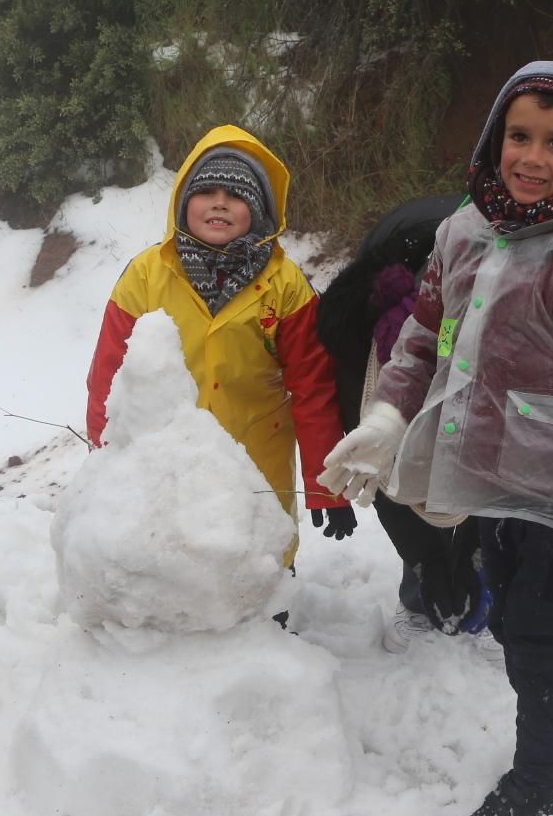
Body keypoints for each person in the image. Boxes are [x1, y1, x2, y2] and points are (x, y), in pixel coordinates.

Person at [321, 61, 553, 816]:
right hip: (488, 471)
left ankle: (540, 781)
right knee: (514, 619)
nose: (531, 156)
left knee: (552, 632)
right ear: (494, 137)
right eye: (519, 135)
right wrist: (386, 417)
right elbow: (421, 334)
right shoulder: (466, 229)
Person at [86, 125, 356, 569]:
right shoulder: (147, 274)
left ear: (260, 210)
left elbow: (313, 389)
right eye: (205, 191)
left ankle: (273, 612)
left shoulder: (286, 284)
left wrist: (326, 486)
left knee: (258, 556)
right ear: (182, 201)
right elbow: (109, 375)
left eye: (236, 195)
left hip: (257, 451)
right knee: (170, 554)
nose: (219, 203)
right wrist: (105, 460)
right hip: (165, 452)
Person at [315, 192, 489, 645]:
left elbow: (515, 469)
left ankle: (493, 586)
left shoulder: (503, 335)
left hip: (484, 345)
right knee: (396, 455)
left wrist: (478, 559)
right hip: (395, 281)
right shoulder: (360, 350)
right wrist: (425, 562)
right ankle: (418, 593)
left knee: (489, 464)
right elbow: (384, 475)